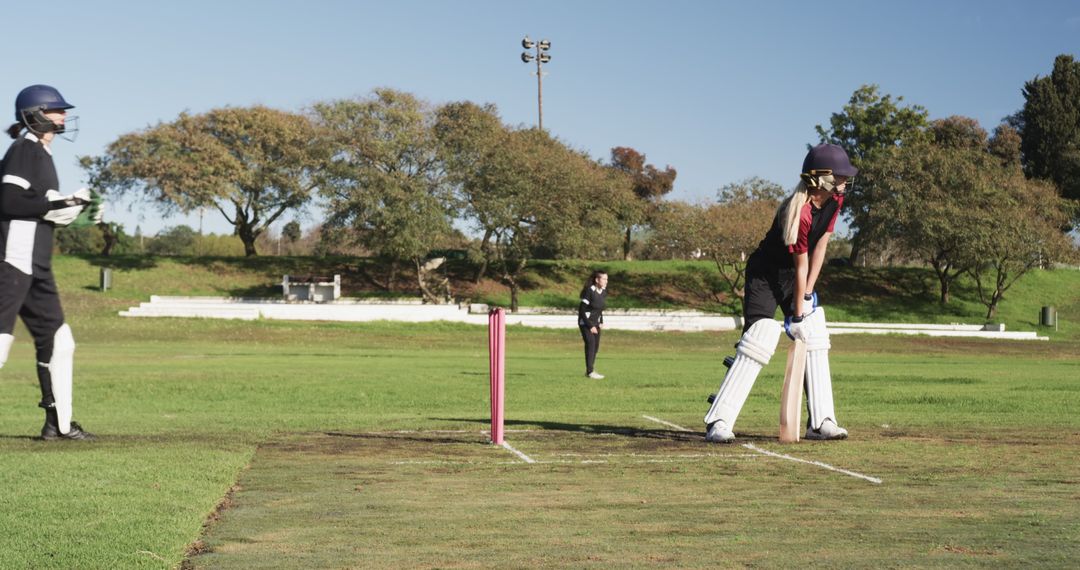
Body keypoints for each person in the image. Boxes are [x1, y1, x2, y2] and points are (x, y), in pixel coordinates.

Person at [703, 143, 854, 443]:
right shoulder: (798, 213)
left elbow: (820, 248)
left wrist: (808, 297)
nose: (845, 181)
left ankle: (821, 421)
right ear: (821, 178)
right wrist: (796, 313)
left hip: (795, 275)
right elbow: (799, 266)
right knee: (759, 337)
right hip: (765, 274)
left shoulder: (835, 201)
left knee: (814, 331)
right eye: (839, 176)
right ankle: (719, 421)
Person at [1, 84, 102, 440]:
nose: (64, 116)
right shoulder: (22, 150)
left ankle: (57, 425)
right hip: (13, 261)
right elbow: (8, 202)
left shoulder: (43, 154)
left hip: (37, 264)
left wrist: (74, 209)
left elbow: (37, 205)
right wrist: (57, 205)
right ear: (37, 114)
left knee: (59, 341)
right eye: (57, 110)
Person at [577, 270, 608, 379]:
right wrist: (590, 326)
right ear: (597, 280)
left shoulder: (603, 292)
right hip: (585, 322)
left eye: (606, 279)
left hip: (596, 323)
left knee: (596, 347)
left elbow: (599, 310)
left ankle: (589, 371)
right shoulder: (589, 291)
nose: (606, 281)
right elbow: (581, 310)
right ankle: (590, 372)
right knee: (590, 344)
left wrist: (601, 322)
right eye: (604, 279)